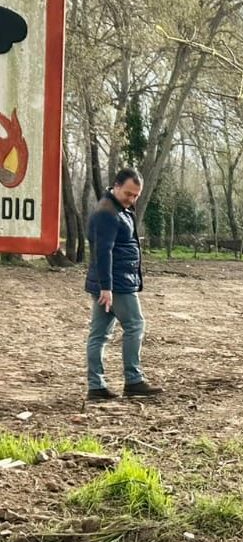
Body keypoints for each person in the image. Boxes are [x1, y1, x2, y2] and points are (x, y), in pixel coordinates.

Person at [84, 168, 162, 401]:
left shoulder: (118, 208)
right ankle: (133, 380)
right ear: (116, 186)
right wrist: (106, 287)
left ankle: (96, 386)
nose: (132, 199)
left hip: (112, 281)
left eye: (136, 195)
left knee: (99, 334)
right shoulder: (107, 213)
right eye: (128, 193)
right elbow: (103, 251)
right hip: (116, 283)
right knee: (135, 325)